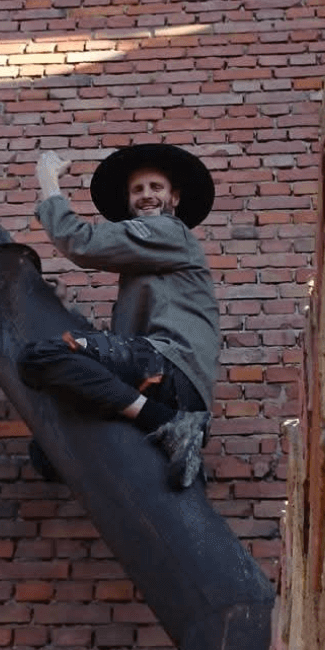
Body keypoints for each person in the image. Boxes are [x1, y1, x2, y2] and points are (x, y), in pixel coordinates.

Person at [21, 143, 220, 488]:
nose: (146, 196)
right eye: (137, 190)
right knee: (48, 450)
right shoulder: (147, 268)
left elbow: (80, 241)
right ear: (128, 201)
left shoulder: (169, 231)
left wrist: (48, 183)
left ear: (174, 199)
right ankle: (168, 432)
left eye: (156, 187)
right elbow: (115, 352)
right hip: (162, 375)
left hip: (171, 367)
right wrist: (67, 310)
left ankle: (170, 423)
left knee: (39, 357)